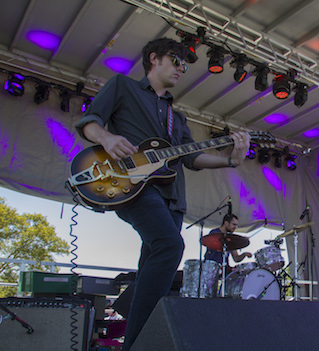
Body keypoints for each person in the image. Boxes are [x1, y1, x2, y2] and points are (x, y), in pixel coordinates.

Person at [74, 38, 250, 350]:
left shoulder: (176, 117)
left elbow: (191, 157)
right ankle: (139, 343)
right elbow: (90, 120)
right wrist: (107, 138)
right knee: (170, 246)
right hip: (130, 185)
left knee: (152, 264)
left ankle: (133, 337)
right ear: (154, 59)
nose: (182, 68)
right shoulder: (123, 87)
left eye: (185, 64)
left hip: (173, 197)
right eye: (176, 60)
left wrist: (230, 160)